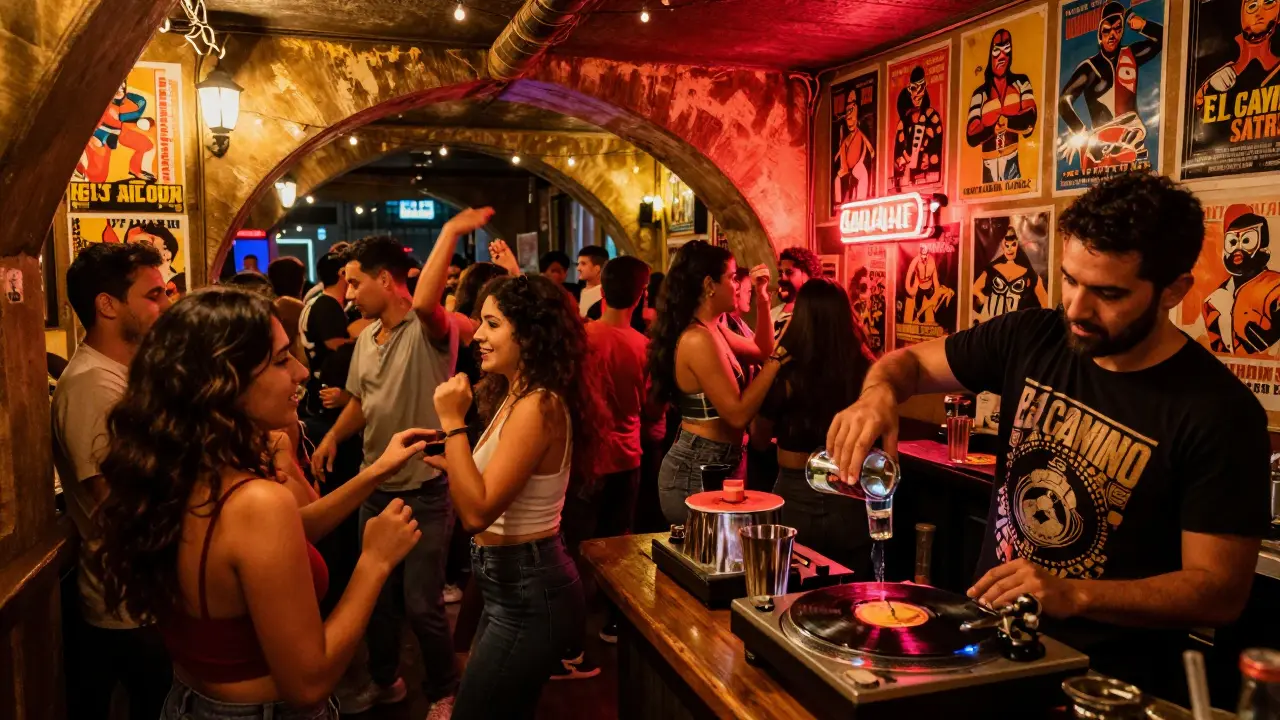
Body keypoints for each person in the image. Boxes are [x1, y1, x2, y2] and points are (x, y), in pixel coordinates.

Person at [826, 172, 1270, 702]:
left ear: (1174, 289)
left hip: (1106, 690)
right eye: (1071, 279)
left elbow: (1219, 592)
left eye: (1108, 292)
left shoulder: (1219, 412)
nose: (1078, 309)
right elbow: (908, 364)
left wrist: (1075, 594)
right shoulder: (1032, 335)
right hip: (989, 656)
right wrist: (876, 395)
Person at [94, 287, 433, 720]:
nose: (300, 372)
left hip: (191, 701)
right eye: (279, 360)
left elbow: (289, 535)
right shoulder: (256, 502)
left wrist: (376, 471)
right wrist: (375, 561)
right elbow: (307, 684)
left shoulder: (179, 470)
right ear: (224, 381)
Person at [426, 275, 605, 719]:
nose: (479, 335)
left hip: (529, 586)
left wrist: (452, 422)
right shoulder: (517, 394)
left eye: (491, 324)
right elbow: (497, 485)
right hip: (512, 582)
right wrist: (450, 460)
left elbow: (476, 512)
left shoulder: (537, 405)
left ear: (528, 333)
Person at [310, 236, 461, 716]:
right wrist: (334, 436)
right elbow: (361, 402)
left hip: (426, 490)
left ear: (384, 280)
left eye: (355, 283)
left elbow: (428, 301)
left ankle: (443, 690)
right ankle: (385, 680)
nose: (348, 294)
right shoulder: (365, 341)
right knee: (374, 598)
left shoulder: (427, 331)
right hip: (376, 488)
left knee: (422, 604)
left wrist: (454, 229)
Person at [53, 242, 173, 720]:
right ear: (107, 305)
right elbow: (120, 503)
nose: (165, 305)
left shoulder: (122, 376)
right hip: (127, 606)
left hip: (147, 596)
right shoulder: (91, 386)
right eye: (154, 294)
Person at [649, 241, 783, 525]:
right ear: (710, 284)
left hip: (720, 460)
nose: (738, 285)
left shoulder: (714, 328)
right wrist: (778, 361)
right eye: (733, 278)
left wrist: (762, 298)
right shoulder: (698, 339)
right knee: (708, 560)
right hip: (696, 468)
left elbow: (760, 350)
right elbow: (736, 414)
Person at [751, 279, 871, 575]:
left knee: (791, 592)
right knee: (849, 596)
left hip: (795, 494)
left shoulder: (786, 371)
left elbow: (758, 439)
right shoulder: (865, 368)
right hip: (849, 493)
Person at [579, 257, 651, 644]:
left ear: (601, 292)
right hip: (626, 455)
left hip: (586, 456)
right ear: (641, 296)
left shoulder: (583, 337)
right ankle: (611, 620)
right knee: (616, 543)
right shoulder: (644, 346)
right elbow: (652, 406)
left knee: (576, 542)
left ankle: (572, 631)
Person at [1058, 2, 1163, 171]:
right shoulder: (1089, 67)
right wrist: (1082, 135)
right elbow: (1064, 102)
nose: (1112, 35)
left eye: (1117, 29)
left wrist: (1141, 24)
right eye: (1107, 30)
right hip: (1101, 146)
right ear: (1100, 33)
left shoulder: (1130, 55)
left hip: (1132, 136)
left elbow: (1162, 39)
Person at [1203, 204, 1280, 355]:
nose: (1238, 249)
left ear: (1263, 248)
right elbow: (1220, 353)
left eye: (1246, 241)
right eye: (1232, 242)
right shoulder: (1213, 300)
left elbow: (1264, 345)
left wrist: (1230, 310)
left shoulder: (1276, 287)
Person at [964, 28, 1038, 183]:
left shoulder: (1021, 82)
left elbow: (1030, 119)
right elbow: (971, 136)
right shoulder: (980, 93)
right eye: (997, 50)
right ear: (990, 54)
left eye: (1007, 50)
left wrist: (1006, 122)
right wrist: (993, 128)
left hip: (1012, 160)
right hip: (988, 164)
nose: (1002, 56)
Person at [972, 225, 1049, 324]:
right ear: (1002, 246)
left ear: (1017, 245)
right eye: (1006, 245)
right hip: (992, 322)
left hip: (1015, 325)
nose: (1010, 249)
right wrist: (982, 298)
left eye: (1013, 245)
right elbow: (975, 288)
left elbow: (1044, 301)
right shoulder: (993, 269)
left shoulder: (1029, 273)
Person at [891, 65, 944, 191]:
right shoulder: (903, 123)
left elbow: (937, 143)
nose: (916, 98)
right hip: (907, 182)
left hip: (927, 182)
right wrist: (902, 159)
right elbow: (897, 153)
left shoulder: (931, 117)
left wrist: (927, 155)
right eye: (914, 92)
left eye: (920, 94)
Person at [772, 246, 823, 338]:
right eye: (780, 273)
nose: (782, 278)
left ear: (807, 274)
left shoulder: (820, 313)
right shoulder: (772, 314)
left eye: (789, 272)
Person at [834, 89, 875, 204]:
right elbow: (843, 146)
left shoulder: (860, 132)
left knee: (862, 178)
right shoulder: (846, 138)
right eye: (847, 118)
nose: (849, 120)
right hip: (848, 169)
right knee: (838, 180)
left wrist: (871, 150)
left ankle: (860, 201)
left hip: (858, 166)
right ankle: (839, 202)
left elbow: (867, 141)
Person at [576, 245, 609, 317]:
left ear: (597, 268)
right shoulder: (576, 292)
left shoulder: (606, 295)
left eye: (583, 264)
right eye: (578, 264)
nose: (578, 268)